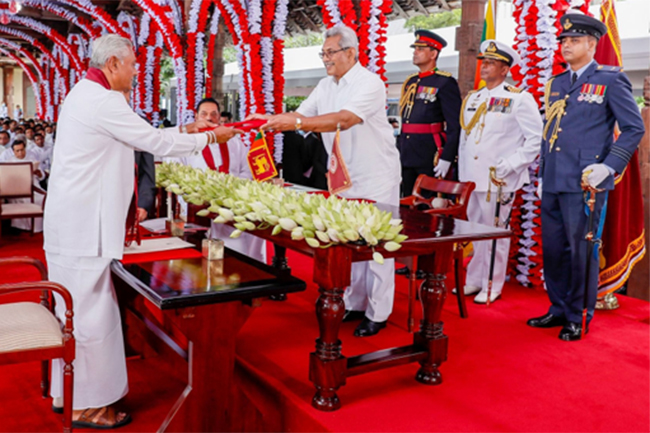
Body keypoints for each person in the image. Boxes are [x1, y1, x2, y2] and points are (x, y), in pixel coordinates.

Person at [43, 34, 240, 427]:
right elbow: (152, 140)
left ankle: (68, 393)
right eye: (132, 64)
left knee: (76, 313)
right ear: (113, 64)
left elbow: (141, 136)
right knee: (89, 317)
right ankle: (86, 406)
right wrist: (210, 136)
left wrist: (192, 129)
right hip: (84, 226)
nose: (136, 71)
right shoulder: (102, 100)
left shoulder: (87, 93)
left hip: (76, 222)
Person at [248, 25, 401, 337]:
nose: (325, 59)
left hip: (376, 175)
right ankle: (355, 303)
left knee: (378, 247)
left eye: (330, 53)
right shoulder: (324, 84)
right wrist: (265, 120)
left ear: (350, 53)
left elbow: (344, 119)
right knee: (350, 241)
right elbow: (300, 118)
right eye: (323, 53)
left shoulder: (370, 82)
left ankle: (378, 312)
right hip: (343, 177)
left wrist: (297, 121)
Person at [528, 12, 645, 341]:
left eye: (574, 40)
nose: (566, 45)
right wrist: (542, 173)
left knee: (581, 249)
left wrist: (608, 166)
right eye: (564, 40)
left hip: (585, 181)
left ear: (592, 44)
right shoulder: (557, 83)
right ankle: (557, 307)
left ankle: (578, 315)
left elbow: (634, 128)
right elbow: (550, 131)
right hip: (553, 179)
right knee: (553, 248)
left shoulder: (610, 80)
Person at [458, 40, 542, 304]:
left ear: (505, 69)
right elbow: (466, 138)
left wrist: (511, 165)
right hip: (472, 177)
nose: (485, 67)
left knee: (494, 233)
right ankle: (474, 279)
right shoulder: (475, 97)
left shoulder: (518, 98)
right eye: (484, 61)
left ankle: (492, 284)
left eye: (492, 63)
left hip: (498, 178)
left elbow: (535, 139)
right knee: (473, 230)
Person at [170, 97, 266, 262]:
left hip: (234, 202)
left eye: (213, 114)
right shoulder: (185, 142)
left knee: (253, 230)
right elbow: (177, 175)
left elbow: (246, 169)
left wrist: (233, 187)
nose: (209, 118)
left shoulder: (234, 140)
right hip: (200, 204)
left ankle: (248, 264)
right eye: (204, 114)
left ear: (219, 116)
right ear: (196, 116)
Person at [398, 30, 461, 197]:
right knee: (406, 200)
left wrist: (447, 157)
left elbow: (455, 125)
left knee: (427, 204)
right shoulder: (411, 81)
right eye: (415, 49)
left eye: (420, 49)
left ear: (433, 54)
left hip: (429, 154)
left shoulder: (445, 82)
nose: (415, 52)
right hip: (406, 152)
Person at [2, 139, 45, 232]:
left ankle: (38, 228)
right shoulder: (10, 162)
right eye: (18, 151)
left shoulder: (32, 158)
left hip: (34, 186)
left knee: (42, 198)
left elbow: (42, 177)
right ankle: (22, 227)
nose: (21, 153)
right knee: (20, 199)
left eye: (22, 150)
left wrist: (39, 173)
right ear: (13, 151)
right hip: (16, 189)